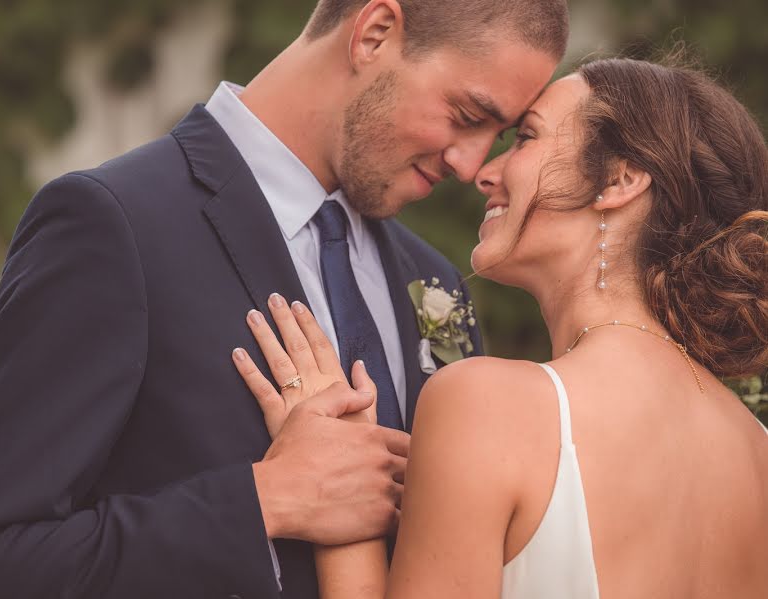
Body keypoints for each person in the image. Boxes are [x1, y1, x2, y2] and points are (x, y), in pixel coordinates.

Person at [0, 1, 569, 597]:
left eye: (498, 134)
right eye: (467, 115)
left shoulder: (437, 286)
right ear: (374, 33)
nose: (472, 162)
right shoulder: (115, 225)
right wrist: (262, 502)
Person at [233, 56, 768, 598]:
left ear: (619, 179)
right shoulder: (756, 450)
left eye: (526, 138)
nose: (484, 171)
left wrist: (341, 497)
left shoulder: (489, 405)